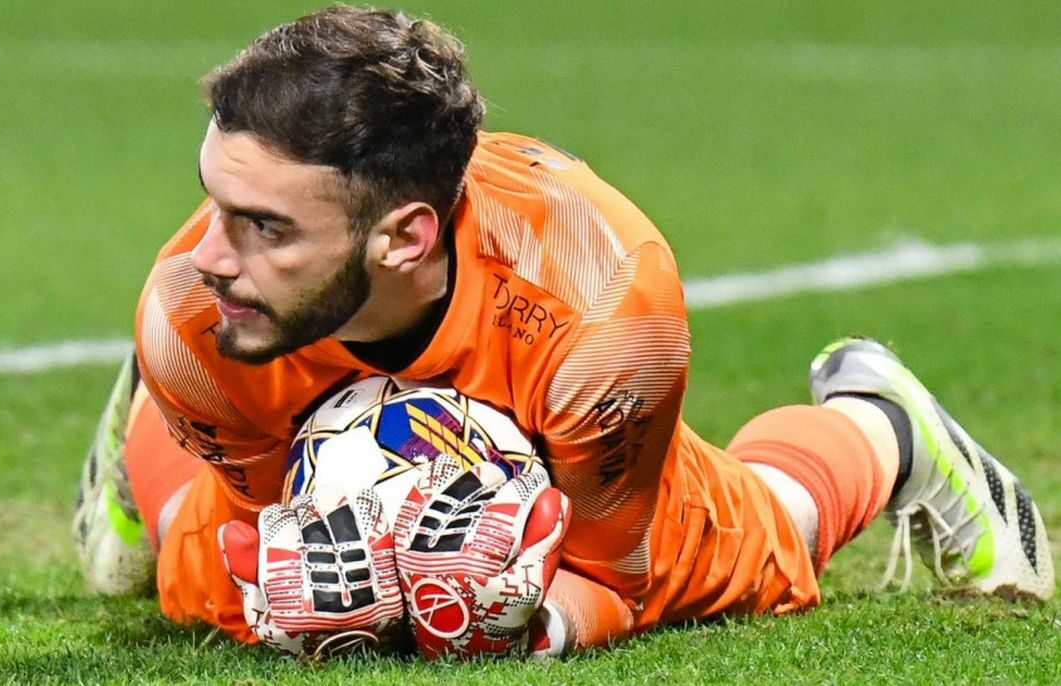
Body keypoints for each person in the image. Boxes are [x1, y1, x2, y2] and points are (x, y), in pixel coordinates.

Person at [71, 6, 1053, 659]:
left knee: (753, 543)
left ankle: (885, 425)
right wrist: (312, 587)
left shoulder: (603, 307)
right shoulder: (191, 306)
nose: (209, 254)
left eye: (265, 226)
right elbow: (268, 533)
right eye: (214, 202)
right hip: (263, 383)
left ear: (406, 236)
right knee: (199, 571)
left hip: (563, 436)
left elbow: (608, 579)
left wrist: (522, 620)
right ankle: (151, 409)